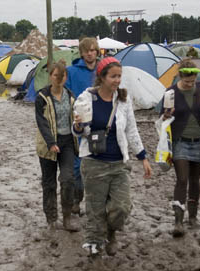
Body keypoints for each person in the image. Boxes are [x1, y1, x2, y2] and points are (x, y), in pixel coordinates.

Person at [73, 57, 152, 256]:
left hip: (119, 164)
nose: (117, 80)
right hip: (94, 163)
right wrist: (77, 126)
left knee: (122, 207)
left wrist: (143, 157)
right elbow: (78, 131)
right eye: (113, 76)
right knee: (95, 209)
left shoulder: (123, 100)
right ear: (102, 77)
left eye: (119, 76)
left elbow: (132, 130)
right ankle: (94, 245)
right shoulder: (86, 98)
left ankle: (111, 231)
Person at [161, 59, 200, 237]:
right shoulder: (171, 92)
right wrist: (166, 114)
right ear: (180, 77)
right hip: (179, 140)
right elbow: (162, 117)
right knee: (182, 179)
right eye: (186, 82)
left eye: (193, 81)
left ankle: (193, 216)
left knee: (195, 180)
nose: (190, 85)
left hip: (199, 140)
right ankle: (178, 220)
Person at [35, 60, 79, 232]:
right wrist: (51, 142)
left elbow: (76, 119)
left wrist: (79, 125)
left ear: (66, 77)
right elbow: (41, 122)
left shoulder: (71, 96)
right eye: (55, 75)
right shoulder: (42, 97)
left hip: (67, 142)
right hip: (47, 145)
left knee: (68, 179)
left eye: (62, 76)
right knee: (49, 183)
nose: (59, 79)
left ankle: (67, 217)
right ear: (50, 76)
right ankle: (52, 218)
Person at [65, 37, 100, 215]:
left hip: (100, 124)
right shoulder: (71, 71)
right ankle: (76, 200)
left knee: (99, 166)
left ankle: (96, 204)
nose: (90, 53)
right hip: (78, 124)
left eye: (93, 50)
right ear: (81, 52)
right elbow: (67, 96)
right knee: (77, 167)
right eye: (87, 50)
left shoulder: (103, 70)